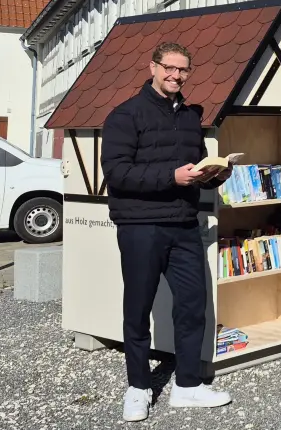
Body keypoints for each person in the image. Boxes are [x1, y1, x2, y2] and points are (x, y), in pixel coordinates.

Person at [100, 42, 235, 423]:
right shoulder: (125, 115)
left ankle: (188, 386)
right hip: (140, 225)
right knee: (138, 308)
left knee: (193, 305)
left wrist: (214, 175)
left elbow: (193, 172)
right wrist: (171, 177)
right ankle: (138, 388)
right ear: (153, 67)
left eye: (183, 70)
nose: (176, 76)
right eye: (169, 68)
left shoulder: (191, 118)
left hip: (183, 223)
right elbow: (117, 174)